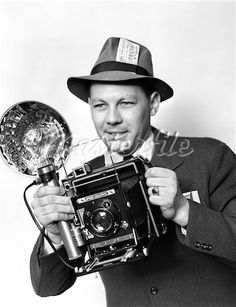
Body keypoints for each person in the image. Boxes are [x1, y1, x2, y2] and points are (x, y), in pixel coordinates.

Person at [30, 37, 236, 307]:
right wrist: (54, 236)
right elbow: (47, 287)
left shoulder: (210, 157)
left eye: (125, 103)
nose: (112, 118)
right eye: (100, 105)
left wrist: (185, 211)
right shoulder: (77, 183)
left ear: (152, 104)